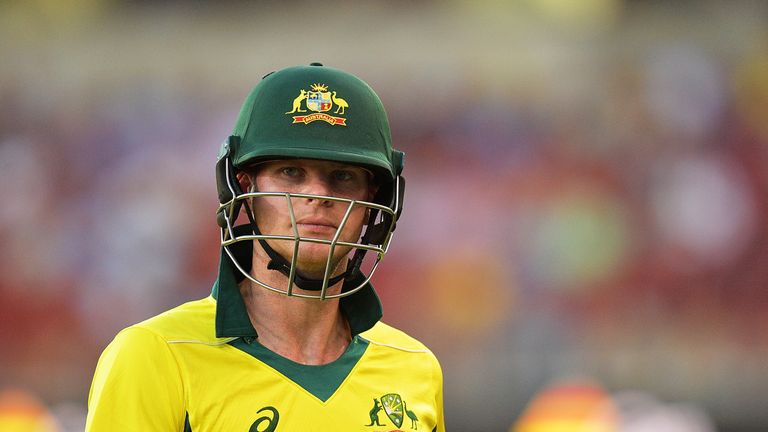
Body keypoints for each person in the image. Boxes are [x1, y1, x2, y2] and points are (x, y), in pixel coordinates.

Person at [85, 63, 445, 431]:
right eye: (291, 172)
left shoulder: (414, 367)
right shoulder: (155, 355)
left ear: (375, 201)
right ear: (243, 188)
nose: (318, 196)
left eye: (343, 176)